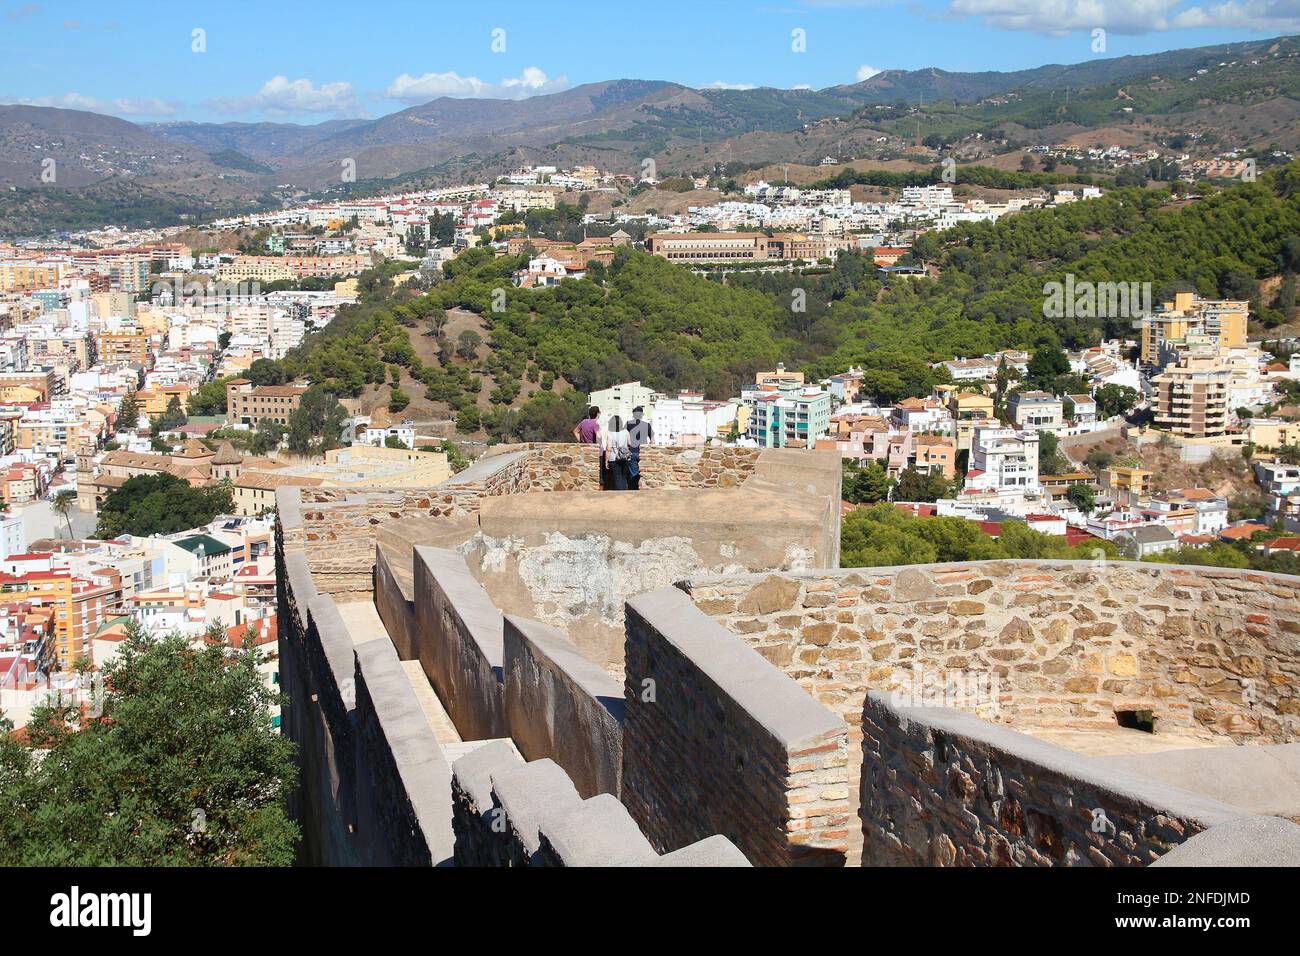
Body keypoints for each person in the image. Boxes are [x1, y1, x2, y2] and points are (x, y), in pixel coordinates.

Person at [573, 405, 606, 488]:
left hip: (585, 449)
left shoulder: (583, 422)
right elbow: (598, 436)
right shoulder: (595, 424)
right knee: (600, 474)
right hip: (597, 452)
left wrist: (581, 441)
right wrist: (599, 444)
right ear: (598, 414)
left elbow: (575, 431)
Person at [626, 406, 653, 490]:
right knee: (644, 472)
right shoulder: (647, 425)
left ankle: (634, 490)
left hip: (632, 451)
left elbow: (624, 437)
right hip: (643, 452)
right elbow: (652, 440)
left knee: (634, 474)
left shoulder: (628, 424)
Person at [603, 414, 631, 491]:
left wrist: (606, 461)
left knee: (617, 477)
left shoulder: (610, 433)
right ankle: (625, 493)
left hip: (614, 458)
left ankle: (620, 495)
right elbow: (630, 443)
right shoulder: (626, 431)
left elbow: (609, 448)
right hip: (625, 457)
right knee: (624, 477)